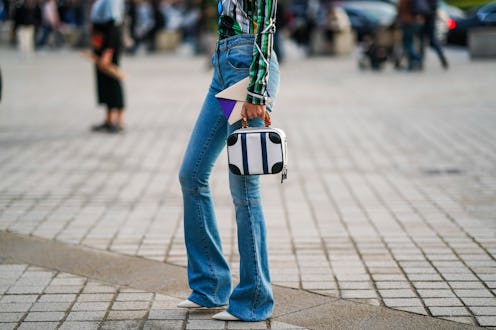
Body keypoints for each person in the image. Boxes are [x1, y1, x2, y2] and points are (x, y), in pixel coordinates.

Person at [177, 0, 280, 322]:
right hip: (224, 66)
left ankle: (254, 300)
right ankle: (210, 287)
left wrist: (257, 93)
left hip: (249, 69)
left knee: (245, 190)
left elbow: (264, 27)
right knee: (191, 174)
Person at [90, 0, 126, 133]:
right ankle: (109, 119)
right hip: (101, 42)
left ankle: (120, 120)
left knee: (113, 80)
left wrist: (108, 51)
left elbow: (114, 24)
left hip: (109, 44)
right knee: (104, 82)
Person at [420, 0, 449, 69]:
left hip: (423, 20)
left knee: (422, 42)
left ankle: (420, 62)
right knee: (432, 41)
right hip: (431, 20)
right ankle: (442, 57)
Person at [397, 0, 424, 71]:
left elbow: (399, 8)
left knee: (406, 43)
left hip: (408, 22)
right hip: (417, 21)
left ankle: (417, 58)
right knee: (411, 42)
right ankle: (411, 64)